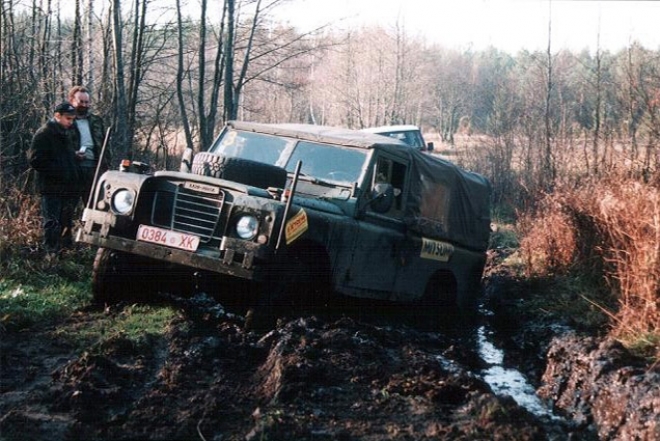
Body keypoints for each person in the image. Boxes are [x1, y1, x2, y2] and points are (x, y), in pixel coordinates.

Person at [27, 102, 82, 253]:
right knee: (52, 223)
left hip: (66, 187)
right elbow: (35, 160)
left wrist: (73, 160)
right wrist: (60, 171)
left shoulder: (64, 133)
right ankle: (50, 257)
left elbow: (64, 156)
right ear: (57, 116)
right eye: (68, 118)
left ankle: (62, 253)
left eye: (72, 119)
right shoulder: (44, 133)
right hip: (51, 187)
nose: (70, 122)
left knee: (65, 221)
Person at [68, 85, 108, 205]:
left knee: (95, 205)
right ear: (72, 101)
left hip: (94, 170)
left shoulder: (97, 121)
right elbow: (58, 147)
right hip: (72, 170)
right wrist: (72, 154)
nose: (84, 105)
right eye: (81, 102)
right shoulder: (65, 121)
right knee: (68, 207)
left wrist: (106, 167)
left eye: (87, 102)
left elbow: (105, 147)